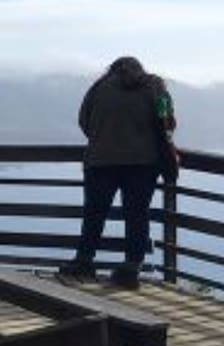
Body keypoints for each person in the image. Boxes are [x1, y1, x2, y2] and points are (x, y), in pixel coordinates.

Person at [59, 56, 176, 289]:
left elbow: (84, 120)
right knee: (137, 215)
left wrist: (104, 138)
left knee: (94, 213)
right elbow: (167, 121)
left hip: (101, 161)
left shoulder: (99, 87)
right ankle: (132, 267)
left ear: (112, 69)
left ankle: (84, 260)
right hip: (143, 163)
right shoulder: (156, 87)